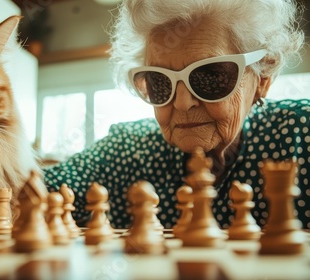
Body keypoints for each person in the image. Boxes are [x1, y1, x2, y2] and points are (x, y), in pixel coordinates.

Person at [43, 0, 309, 229]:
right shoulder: (128, 150)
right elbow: (32, 194)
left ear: (263, 76)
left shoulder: (302, 135)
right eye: (159, 81)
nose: (182, 103)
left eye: (210, 75)